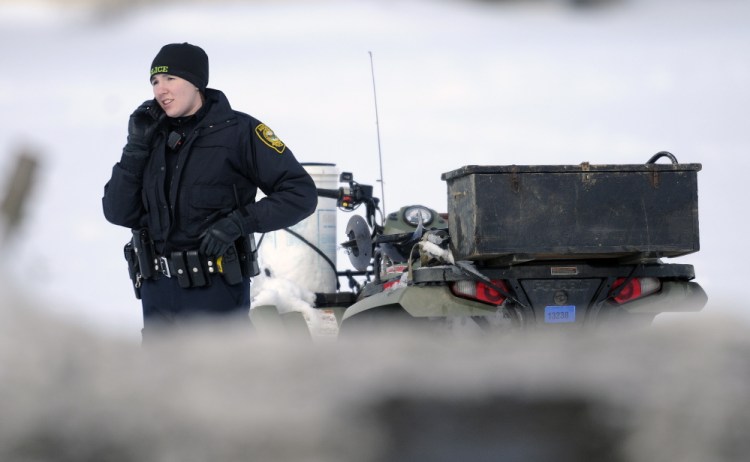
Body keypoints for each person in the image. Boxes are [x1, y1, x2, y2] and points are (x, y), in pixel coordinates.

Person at [102, 42, 317, 340]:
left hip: (215, 293)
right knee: (159, 385)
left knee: (220, 383)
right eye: (154, 81)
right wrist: (136, 147)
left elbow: (300, 194)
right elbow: (117, 212)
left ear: (196, 82)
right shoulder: (150, 137)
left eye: (170, 79)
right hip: (157, 296)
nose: (160, 89)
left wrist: (239, 222)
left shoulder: (239, 132)